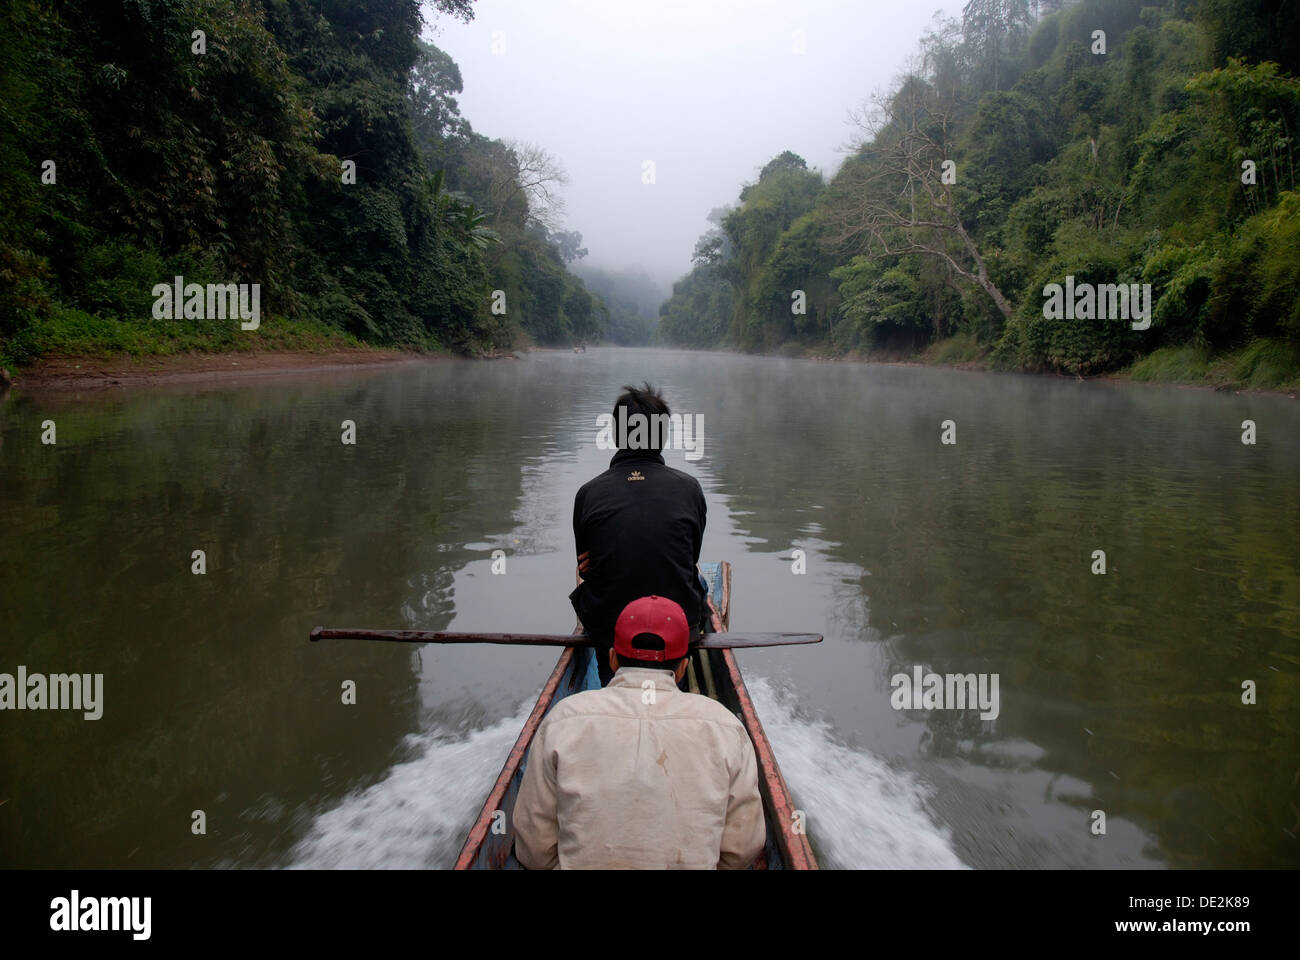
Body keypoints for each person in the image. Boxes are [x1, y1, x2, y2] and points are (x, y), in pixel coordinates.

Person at [512, 595, 766, 870]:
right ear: (683, 667)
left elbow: (534, 850)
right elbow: (742, 850)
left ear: (612, 659)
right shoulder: (726, 727)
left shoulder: (563, 719)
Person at [570, 382, 711, 684]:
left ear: (618, 434)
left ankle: (612, 677)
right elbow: (692, 555)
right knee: (697, 580)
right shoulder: (689, 489)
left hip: (611, 625)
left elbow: (586, 564)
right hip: (675, 622)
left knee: (593, 588)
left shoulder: (589, 493)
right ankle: (677, 681)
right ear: (662, 435)